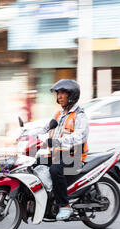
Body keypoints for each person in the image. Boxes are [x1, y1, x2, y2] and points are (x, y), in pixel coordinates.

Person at [30, 79, 89, 221]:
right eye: (58, 93)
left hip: (74, 157)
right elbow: (45, 128)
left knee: (55, 170)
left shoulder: (79, 115)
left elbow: (79, 137)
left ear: (72, 95)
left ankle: (65, 206)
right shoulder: (58, 115)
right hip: (57, 155)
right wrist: (26, 133)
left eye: (63, 93)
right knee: (34, 163)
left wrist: (56, 141)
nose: (59, 97)